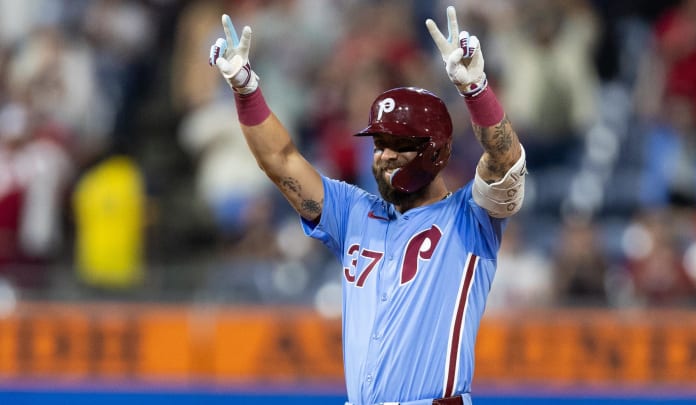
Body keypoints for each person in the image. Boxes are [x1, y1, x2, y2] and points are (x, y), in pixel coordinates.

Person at [209, 6, 526, 405]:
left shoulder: (471, 218)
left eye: (400, 144)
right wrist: (246, 88)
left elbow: (506, 161)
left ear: (436, 150)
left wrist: (475, 90)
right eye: (379, 144)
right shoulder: (354, 212)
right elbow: (281, 160)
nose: (385, 155)